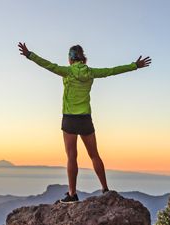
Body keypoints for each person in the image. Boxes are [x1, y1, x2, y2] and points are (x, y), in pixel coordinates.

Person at [18, 42, 151, 203]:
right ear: (83, 59)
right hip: (85, 118)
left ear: (70, 59)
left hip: (69, 119)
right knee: (94, 155)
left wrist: (29, 54)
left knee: (72, 157)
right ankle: (105, 189)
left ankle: (72, 194)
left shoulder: (66, 72)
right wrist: (134, 65)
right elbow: (112, 71)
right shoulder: (91, 73)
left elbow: (47, 65)